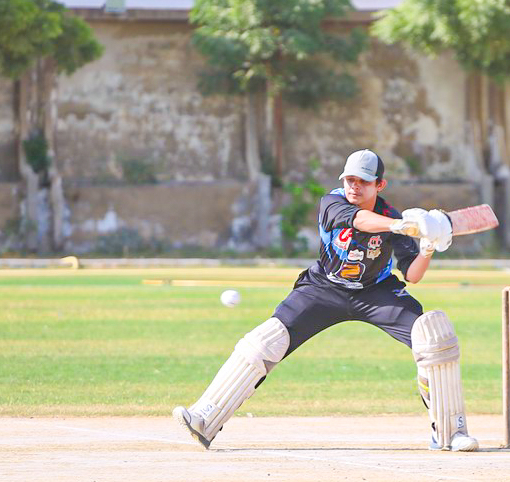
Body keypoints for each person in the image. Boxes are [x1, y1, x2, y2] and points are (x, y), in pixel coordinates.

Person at [173, 149, 479, 452]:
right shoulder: (333, 203)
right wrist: (399, 225)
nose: (354, 187)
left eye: (363, 181)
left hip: (376, 291)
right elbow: (359, 220)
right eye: (350, 180)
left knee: (433, 336)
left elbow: (412, 275)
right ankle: (205, 417)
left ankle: (450, 432)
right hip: (324, 288)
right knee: (266, 340)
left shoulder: (392, 217)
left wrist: (427, 247)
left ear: (379, 185)